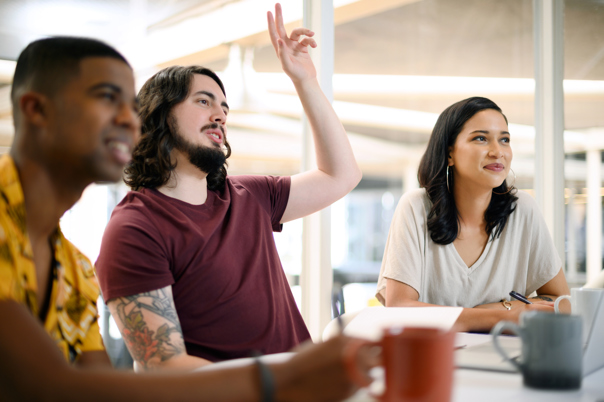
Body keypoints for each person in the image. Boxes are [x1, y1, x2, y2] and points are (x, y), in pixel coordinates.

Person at [0, 35, 370, 402]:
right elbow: (53, 383)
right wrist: (290, 377)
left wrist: (305, 80)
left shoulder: (73, 270)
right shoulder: (131, 228)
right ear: (36, 110)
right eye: (108, 98)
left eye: (130, 106)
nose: (129, 120)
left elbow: (87, 386)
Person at [94, 2, 361, 371]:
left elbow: (341, 175)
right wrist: (283, 383)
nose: (219, 114)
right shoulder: (134, 230)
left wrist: (305, 80)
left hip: (304, 389)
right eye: (203, 101)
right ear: (159, 115)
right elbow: (164, 366)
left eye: (223, 107)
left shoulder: (250, 196)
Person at [376, 96, 570, 332]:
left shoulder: (523, 209)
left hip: (503, 355)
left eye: (505, 139)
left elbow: (561, 303)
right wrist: (504, 316)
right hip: (434, 357)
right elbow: (399, 309)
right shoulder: (415, 208)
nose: (497, 151)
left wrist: (486, 310)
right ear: (449, 154)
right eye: (481, 138)